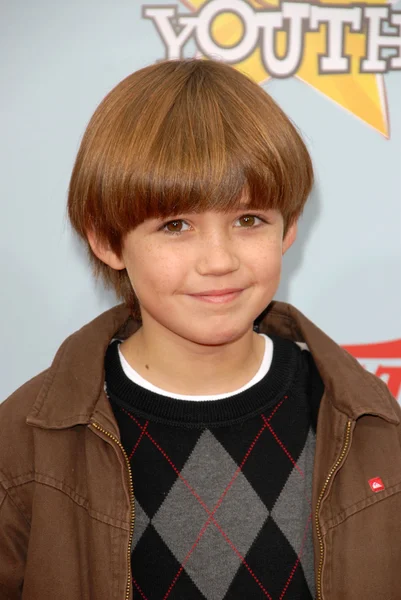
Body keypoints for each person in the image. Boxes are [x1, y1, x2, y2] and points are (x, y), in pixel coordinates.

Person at [0, 58, 399, 600]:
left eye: (248, 220)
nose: (218, 260)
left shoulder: (373, 430)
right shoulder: (22, 446)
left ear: (289, 227)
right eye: (176, 225)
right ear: (107, 240)